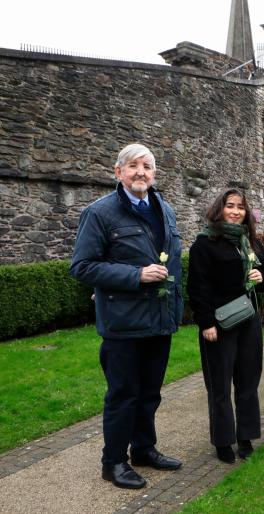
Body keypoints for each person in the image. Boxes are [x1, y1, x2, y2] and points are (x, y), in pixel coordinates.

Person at [70, 143, 183, 489]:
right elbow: (83, 267)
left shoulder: (165, 209)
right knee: (123, 395)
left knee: (150, 392)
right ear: (118, 172)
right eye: (133, 166)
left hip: (159, 321)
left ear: (154, 173)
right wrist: (135, 275)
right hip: (123, 324)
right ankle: (113, 461)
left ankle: (144, 449)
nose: (141, 173)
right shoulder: (100, 213)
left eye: (147, 167)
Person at [187, 189, 264, 463]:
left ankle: (246, 436)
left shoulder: (250, 243)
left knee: (248, 380)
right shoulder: (205, 243)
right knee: (220, 385)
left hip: (248, 321)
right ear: (219, 209)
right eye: (230, 206)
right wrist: (206, 323)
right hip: (219, 324)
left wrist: (262, 277)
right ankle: (223, 441)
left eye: (241, 207)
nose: (236, 211)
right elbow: (197, 287)